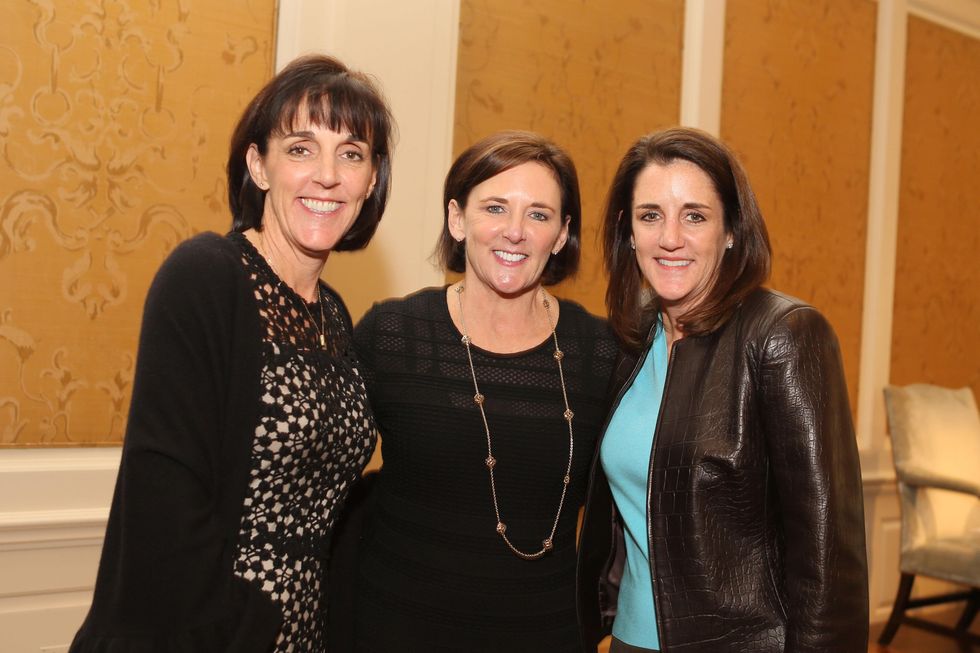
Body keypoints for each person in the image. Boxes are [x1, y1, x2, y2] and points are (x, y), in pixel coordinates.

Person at [69, 54, 394, 652]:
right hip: (205, 636)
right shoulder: (207, 277)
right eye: (300, 148)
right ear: (259, 165)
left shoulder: (335, 317)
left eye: (351, 153)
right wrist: (244, 628)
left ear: (371, 180)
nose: (327, 174)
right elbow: (164, 499)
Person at [576, 127, 868, 653]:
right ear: (629, 232)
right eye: (650, 216)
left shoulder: (783, 334)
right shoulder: (630, 339)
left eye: (694, 215)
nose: (670, 237)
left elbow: (829, 554)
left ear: (731, 229)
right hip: (629, 642)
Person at [349, 131, 618, 651]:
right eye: (495, 208)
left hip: (546, 635)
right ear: (457, 219)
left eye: (539, 215)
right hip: (394, 630)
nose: (514, 232)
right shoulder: (392, 334)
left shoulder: (602, 353)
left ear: (562, 234)